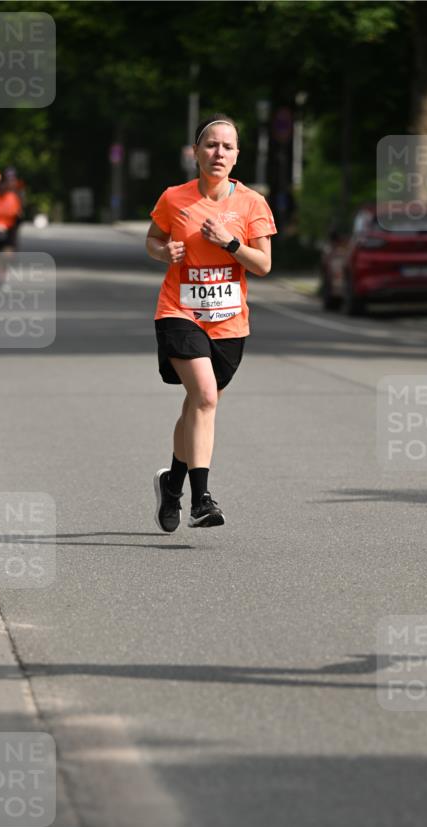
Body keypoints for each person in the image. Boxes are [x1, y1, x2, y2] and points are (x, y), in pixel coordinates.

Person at [146, 114, 277, 530]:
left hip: (229, 323)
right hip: (179, 312)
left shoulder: (252, 203)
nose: (218, 153)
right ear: (196, 152)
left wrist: (231, 242)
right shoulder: (174, 198)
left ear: (237, 157)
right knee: (205, 397)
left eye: (227, 147)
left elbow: (263, 265)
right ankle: (202, 498)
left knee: (195, 407)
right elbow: (152, 239)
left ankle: (172, 484)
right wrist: (164, 252)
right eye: (210, 145)